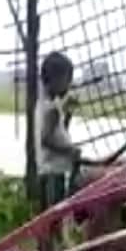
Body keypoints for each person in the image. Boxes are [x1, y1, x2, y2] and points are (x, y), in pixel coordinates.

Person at [37, 51, 82, 211]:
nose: (69, 84)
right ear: (55, 79)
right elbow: (46, 139)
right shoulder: (52, 109)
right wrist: (71, 150)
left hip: (51, 170)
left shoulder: (46, 104)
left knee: (52, 215)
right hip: (52, 171)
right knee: (54, 214)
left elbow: (57, 132)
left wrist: (68, 114)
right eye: (67, 79)